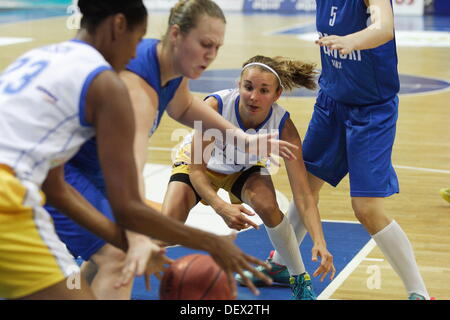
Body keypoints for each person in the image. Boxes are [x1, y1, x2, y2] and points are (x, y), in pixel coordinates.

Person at [0, 0, 275, 300]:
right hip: (17, 192)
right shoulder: (123, 87)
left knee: (119, 251)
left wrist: (241, 138)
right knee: (122, 253)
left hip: (52, 178)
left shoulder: (52, 56)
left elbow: (54, 185)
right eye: (137, 38)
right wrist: (209, 242)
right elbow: (128, 202)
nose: (134, 53)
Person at [249, 0, 432, 300]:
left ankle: (419, 292)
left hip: (371, 112)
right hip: (331, 104)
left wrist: (352, 40)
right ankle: (282, 264)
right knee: (304, 187)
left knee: (366, 210)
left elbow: (384, 27)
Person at [161, 55, 336, 300]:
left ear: (276, 95)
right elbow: (198, 172)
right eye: (248, 87)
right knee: (165, 228)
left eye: (264, 90)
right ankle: (121, 270)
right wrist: (221, 207)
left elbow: (304, 194)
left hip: (243, 169)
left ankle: (298, 277)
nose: (254, 96)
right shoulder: (215, 107)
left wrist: (320, 241)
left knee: (268, 206)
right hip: (200, 167)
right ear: (238, 85)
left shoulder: (283, 125)